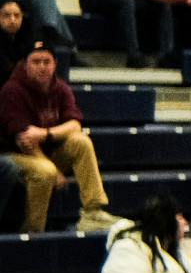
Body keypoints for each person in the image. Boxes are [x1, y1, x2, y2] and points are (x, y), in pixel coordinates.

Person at [0, 39, 117, 232]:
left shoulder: (60, 87)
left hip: (47, 149)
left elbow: (75, 125)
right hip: (14, 155)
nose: (42, 67)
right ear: (25, 64)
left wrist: (45, 134)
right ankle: (33, 230)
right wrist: (54, 169)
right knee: (45, 171)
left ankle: (93, 211)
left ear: (55, 64)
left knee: (81, 142)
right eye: (36, 62)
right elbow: (23, 140)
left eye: (46, 62)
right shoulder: (12, 90)